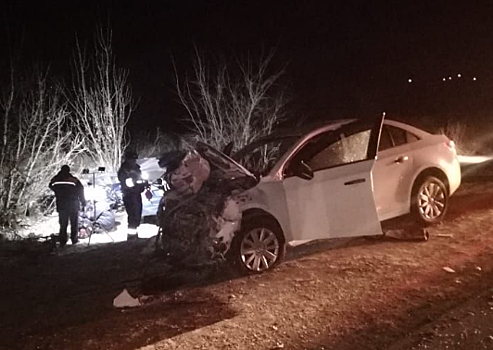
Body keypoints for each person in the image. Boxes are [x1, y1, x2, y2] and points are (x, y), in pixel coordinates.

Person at [49, 165, 86, 246]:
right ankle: (74, 239)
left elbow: (50, 185)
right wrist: (83, 201)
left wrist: (57, 192)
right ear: (68, 171)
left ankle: (63, 240)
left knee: (63, 223)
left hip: (61, 204)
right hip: (73, 203)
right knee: (74, 223)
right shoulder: (73, 180)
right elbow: (81, 189)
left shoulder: (55, 179)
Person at [117, 150, 145, 240]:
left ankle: (135, 234)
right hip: (129, 195)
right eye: (132, 159)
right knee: (132, 215)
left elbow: (141, 179)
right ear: (127, 160)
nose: (134, 161)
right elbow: (127, 183)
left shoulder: (137, 169)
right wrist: (137, 183)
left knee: (137, 215)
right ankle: (131, 236)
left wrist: (144, 183)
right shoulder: (124, 171)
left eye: (134, 159)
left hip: (137, 194)